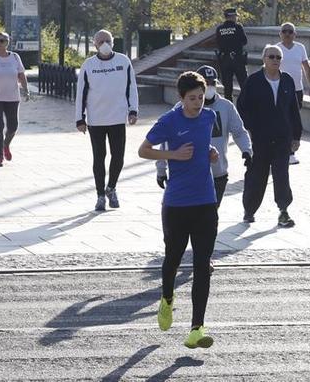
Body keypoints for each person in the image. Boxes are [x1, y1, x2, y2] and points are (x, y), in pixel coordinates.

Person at [139, 71, 220, 349]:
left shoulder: (209, 118)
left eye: (201, 97)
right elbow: (144, 150)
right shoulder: (169, 121)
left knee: (202, 265)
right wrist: (172, 155)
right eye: (192, 98)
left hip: (206, 202)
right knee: (172, 258)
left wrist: (210, 152)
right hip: (176, 204)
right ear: (181, 98)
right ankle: (167, 298)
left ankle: (197, 328)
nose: (198, 103)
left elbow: (202, 145)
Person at [157, 65, 252, 207]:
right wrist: (161, 169)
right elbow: (166, 140)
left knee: (210, 217)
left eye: (213, 83)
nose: (210, 87)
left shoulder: (226, 106)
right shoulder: (180, 108)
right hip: (189, 175)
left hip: (218, 174)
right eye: (207, 83)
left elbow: (239, 131)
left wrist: (247, 150)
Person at [237, 45, 303, 227]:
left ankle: (283, 211)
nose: (275, 60)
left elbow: (294, 110)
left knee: (282, 175)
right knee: (257, 175)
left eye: (278, 57)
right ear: (264, 59)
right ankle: (249, 210)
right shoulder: (254, 81)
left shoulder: (288, 80)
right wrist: (250, 128)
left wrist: (296, 135)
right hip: (260, 138)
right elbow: (242, 107)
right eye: (272, 57)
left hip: (283, 137)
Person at [75, 29, 139, 211]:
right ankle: (100, 195)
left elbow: (131, 87)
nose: (104, 44)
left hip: (118, 117)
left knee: (118, 156)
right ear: (95, 44)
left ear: (113, 42)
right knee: (99, 158)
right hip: (96, 119)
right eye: (100, 41)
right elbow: (81, 93)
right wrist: (80, 119)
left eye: (107, 40)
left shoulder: (123, 61)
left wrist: (133, 110)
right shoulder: (89, 65)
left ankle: (111, 187)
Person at [0, 32, 30, 167]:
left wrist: (25, 89)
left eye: (2, 41)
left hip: (12, 97)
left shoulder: (15, 57)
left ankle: (5, 144)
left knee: (13, 126)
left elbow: (21, 74)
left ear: (7, 42)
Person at [275, 22, 310, 165]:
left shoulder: (300, 48)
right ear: (280, 34)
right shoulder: (276, 49)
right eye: (284, 31)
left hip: (297, 90)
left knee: (293, 121)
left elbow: (306, 66)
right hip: (279, 90)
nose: (287, 34)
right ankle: (283, 150)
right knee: (282, 120)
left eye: (290, 31)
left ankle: (291, 152)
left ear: (295, 34)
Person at [215, 8, 248, 102]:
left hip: (225, 60)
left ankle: (229, 107)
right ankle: (245, 105)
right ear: (232, 16)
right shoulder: (238, 27)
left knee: (227, 88)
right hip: (237, 58)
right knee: (244, 85)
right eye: (235, 16)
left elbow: (218, 43)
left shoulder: (219, 29)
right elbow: (244, 41)